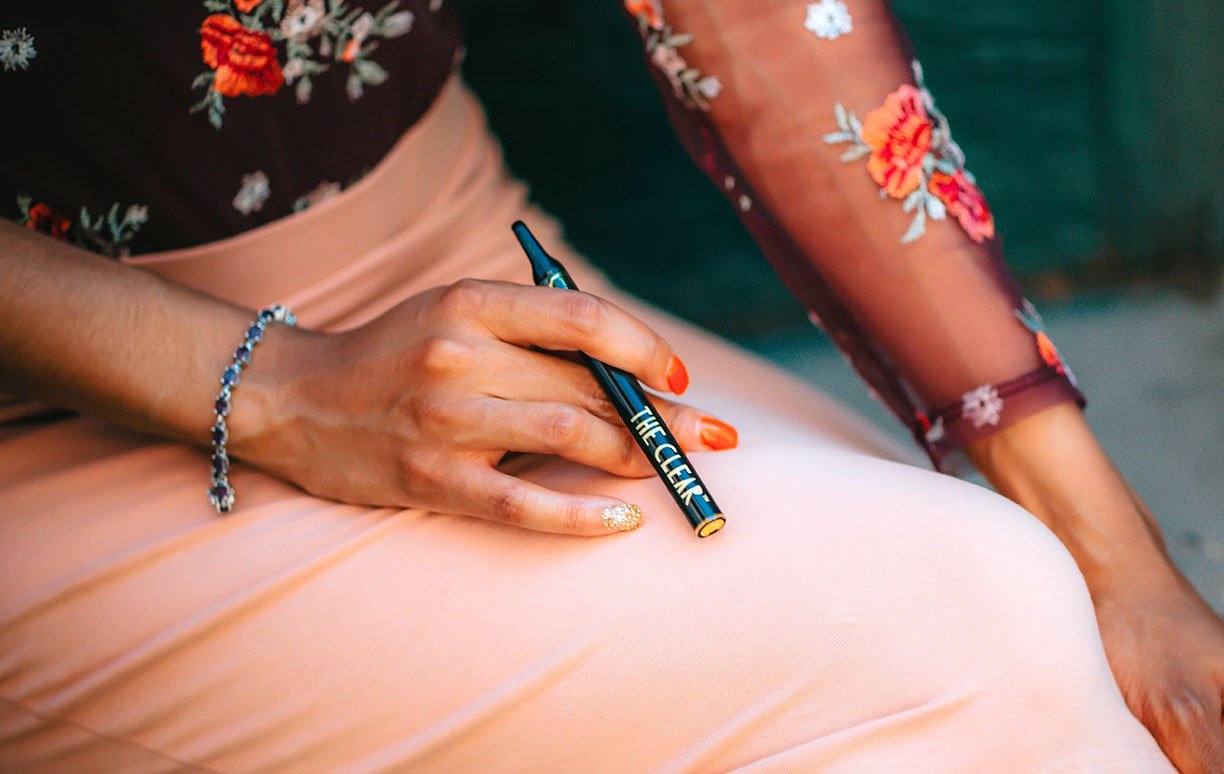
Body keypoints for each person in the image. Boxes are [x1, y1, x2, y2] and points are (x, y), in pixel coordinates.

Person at [0, 1, 1220, 770]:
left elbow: (764, 26)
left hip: (472, 263)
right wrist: (277, 388)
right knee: (976, 640)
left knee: (1025, 618)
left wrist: (1112, 556)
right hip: (82, 404)